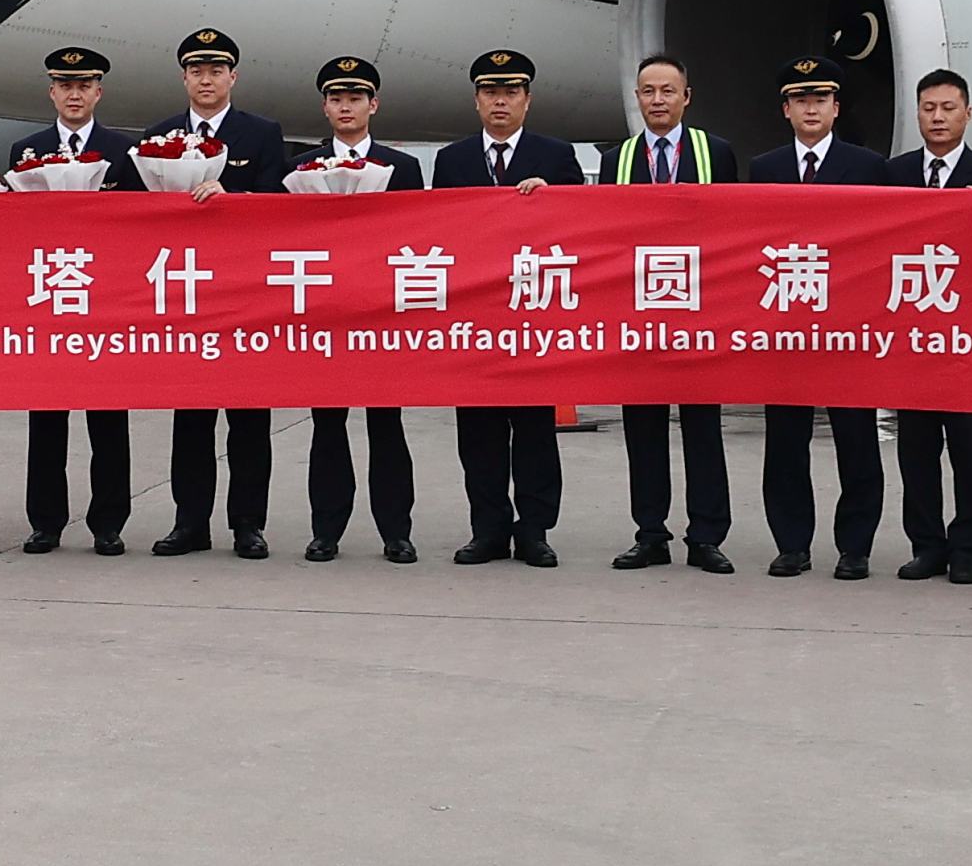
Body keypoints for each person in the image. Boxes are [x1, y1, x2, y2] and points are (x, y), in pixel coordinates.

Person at [432, 48, 578, 566]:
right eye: (491, 92)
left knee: (535, 430)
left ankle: (535, 529)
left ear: (527, 100)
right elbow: (436, 236)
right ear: (476, 101)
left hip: (532, 313)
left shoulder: (556, 157)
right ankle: (488, 528)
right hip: (475, 318)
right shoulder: (452, 161)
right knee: (480, 431)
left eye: (511, 91)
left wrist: (553, 198)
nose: (501, 100)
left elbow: (579, 230)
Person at [148, 27, 287, 557]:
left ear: (233, 76)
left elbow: (279, 201)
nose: (206, 80)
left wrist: (237, 196)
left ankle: (248, 524)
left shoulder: (262, 133)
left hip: (245, 293)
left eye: (216, 71)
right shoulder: (158, 137)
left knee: (250, 418)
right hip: (187, 294)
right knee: (191, 418)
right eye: (196, 71)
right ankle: (190, 523)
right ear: (184, 77)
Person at [751, 55, 891, 576]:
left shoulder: (868, 167)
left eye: (821, 99)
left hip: (849, 330)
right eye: (801, 100)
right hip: (785, 328)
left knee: (856, 443)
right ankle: (792, 543)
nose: (811, 109)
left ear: (837, 107)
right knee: (785, 444)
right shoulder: (765, 170)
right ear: (786, 109)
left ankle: (855, 546)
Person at [608, 52, 737, 571]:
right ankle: (650, 533)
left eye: (667, 91)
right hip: (641, 315)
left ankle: (706, 535)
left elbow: (736, 230)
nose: (657, 100)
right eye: (648, 92)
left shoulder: (716, 153)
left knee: (702, 429)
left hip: (699, 316)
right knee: (643, 428)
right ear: (637, 98)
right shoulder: (620, 157)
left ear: (687, 97)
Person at [291, 57, 423, 563]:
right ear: (325, 107)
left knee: (385, 425)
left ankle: (396, 531)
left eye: (356, 98)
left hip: (381, 315)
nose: (346, 107)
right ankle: (327, 530)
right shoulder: (302, 169)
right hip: (326, 314)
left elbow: (418, 239)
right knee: (327, 426)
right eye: (337, 99)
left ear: (374, 105)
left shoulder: (402, 168)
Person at [12, 44, 141, 553]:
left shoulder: (126, 151)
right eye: (65, 86)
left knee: (109, 422)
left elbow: (140, 228)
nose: (74, 94)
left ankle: (108, 523)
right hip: (48, 298)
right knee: (46, 421)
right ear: (52, 92)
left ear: (98, 92)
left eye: (83, 85)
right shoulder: (26, 149)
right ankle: (46, 521)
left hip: (105, 301)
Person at [893, 68, 972, 584]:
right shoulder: (890, 177)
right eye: (928, 108)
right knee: (916, 454)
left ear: (968, 113)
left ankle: (967, 550)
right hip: (910, 342)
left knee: (969, 452)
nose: (938, 117)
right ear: (917, 113)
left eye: (948, 108)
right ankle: (926, 546)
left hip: (971, 344)